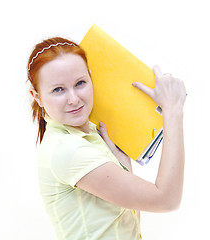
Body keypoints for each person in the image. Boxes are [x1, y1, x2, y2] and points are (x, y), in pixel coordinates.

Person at [27, 37, 186, 240]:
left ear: (91, 78)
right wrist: (173, 110)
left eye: (80, 83)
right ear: (37, 96)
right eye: (58, 89)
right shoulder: (67, 150)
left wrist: (124, 166)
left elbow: (126, 224)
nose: (74, 99)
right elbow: (167, 200)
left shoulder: (91, 136)